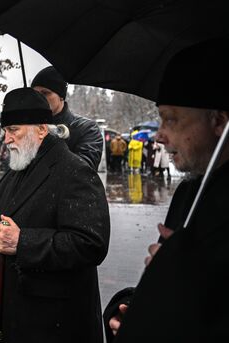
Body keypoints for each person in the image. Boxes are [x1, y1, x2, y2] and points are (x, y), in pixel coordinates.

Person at [0, 87, 110, 343]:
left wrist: (23, 243)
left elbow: (91, 244)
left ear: (42, 129)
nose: (6, 139)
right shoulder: (20, 167)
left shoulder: (74, 171)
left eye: (13, 130)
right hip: (11, 315)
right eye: (5, 131)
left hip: (50, 324)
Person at [104, 37, 229, 343]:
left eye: (172, 119)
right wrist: (134, 308)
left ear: (219, 122)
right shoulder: (189, 192)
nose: (160, 135)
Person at [31, 66, 103, 170]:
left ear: (61, 96)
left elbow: (83, 171)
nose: (38, 98)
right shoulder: (30, 128)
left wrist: (50, 136)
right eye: (35, 94)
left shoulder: (87, 129)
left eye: (45, 93)